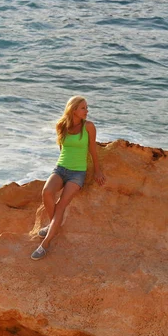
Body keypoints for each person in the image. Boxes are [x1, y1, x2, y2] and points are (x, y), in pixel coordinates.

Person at [31, 95, 106, 260]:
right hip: (60, 168)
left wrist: (97, 171)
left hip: (78, 173)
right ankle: (54, 225)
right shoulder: (61, 125)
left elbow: (93, 149)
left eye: (87, 107)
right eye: (83, 108)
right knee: (46, 192)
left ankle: (46, 243)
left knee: (60, 206)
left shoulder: (89, 127)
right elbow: (62, 147)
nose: (87, 111)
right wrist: (61, 168)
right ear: (73, 110)